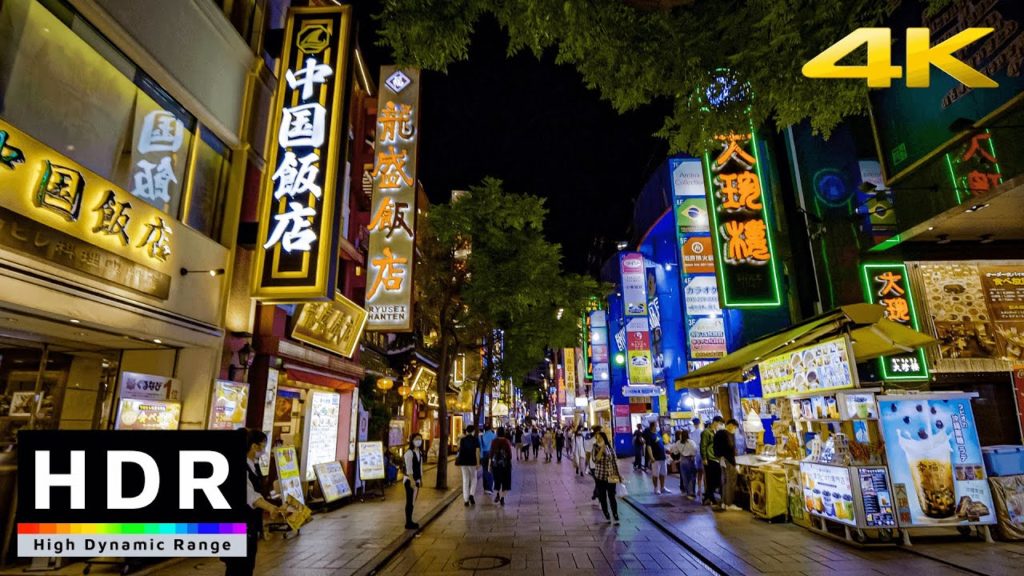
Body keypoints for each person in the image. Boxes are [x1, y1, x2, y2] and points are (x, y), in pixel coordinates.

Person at [225, 429, 285, 576]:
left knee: (247, 565)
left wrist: (262, 524)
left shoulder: (253, 465)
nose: (264, 450)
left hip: (249, 525)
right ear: (253, 446)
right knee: (237, 567)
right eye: (263, 445)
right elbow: (249, 494)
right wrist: (270, 507)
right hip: (237, 526)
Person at [590, 430, 621, 525]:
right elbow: (595, 460)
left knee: (612, 496)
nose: (598, 439)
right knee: (603, 496)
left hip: (612, 475)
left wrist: (618, 475)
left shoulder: (610, 447)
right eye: (597, 437)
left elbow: (614, 462)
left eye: (600, 437)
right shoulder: (595, 447)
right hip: (600, 476)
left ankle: (615, 515)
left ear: (604, 438)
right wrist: (601, 449)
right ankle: (606, 514)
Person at [715, 419, 742, 511]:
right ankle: (729, 503)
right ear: (730, 425)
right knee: (731, 481)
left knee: (725, 481)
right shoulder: (727, 434)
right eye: (735, 427)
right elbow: (730, 449)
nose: (735, 429)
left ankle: (724, 503)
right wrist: (735, 464)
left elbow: (716, 449)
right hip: (729, 461)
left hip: (722, 460)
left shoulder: (718, 433)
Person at [403, 433, 425, 529]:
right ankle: (408, 522)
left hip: (417, 480)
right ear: (412, 440)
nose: (418, 441)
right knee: (409, 501)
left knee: (412, 501)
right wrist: (412, 480)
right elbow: (409, 468)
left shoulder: (419, 452)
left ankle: (410, 520)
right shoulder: (409, 453)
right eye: (416, 439)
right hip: (409, 480)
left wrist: (421, 479)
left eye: (420, 439)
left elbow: (420, 467)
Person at [669, 429, 698, 499]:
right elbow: (695, 450)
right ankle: (692, 492)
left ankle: (688, 492)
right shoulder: (691, 442)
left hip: (683, 460)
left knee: (685, 477)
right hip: (691, 459)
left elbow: (675, 452)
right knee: (692, 477)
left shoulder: (678, 443)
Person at [701, 416, 723, 506]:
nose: (720, 425)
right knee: (711, 479)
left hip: (717, 458)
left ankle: (707, 496)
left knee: (716, 479)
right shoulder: (706, 432)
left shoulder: (716, 431)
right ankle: (710, 497)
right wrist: (704, 458)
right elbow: (703, 446)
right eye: (719, 423)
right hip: (710, 458)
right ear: (715, 422)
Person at [456, 425, 480, 506]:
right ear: (473, 431)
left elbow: (459, 449)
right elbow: (477, 451)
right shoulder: (475, 439)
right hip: (472, 461)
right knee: (474, 478)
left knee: (465, 480)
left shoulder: (462, 440)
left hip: (463, 462)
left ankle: (466, 500)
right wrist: (478, 463)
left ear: (466, 431)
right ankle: (471, 494)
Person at [644, 421, 670, 494]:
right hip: (656, 458)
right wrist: (651, 457)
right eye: (657, 425)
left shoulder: (658, 434)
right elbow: (648, 447)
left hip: (663, 457)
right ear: (653, 426)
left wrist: (666, 453)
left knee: (663, 473)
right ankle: (656, 488)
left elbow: (661, 444)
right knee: (655, 474)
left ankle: (662, 487)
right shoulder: (650, 436)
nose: (658, 426)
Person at [490, 427, 514, 506]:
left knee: (497, 481)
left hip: (496, 465)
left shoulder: (494, 441)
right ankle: (502, 498)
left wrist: (490, 465)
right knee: (505, 482)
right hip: (505, 465)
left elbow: (491, 454)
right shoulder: (506, 441)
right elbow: (510, 455)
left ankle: (497, 494)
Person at [692, 418, 705, 501]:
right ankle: (702, 489)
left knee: (697, 473)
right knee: (703, 472)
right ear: (699, 423)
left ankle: (698, 489)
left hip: (695, 454)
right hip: (702, 454)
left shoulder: (692, 433)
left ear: (694, 424)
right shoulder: (702, 432)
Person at [480, 424, 496, 494]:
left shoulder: (481, 437)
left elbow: (480, 448)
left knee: (484, 470)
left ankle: (485, 487)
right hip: (491, 454)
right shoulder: (494, 436)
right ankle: (489, 487)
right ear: (490, 429)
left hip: (484, 454)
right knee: (490, 470)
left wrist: (481, 457)